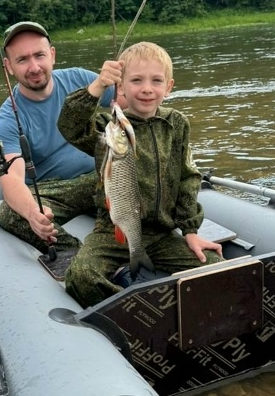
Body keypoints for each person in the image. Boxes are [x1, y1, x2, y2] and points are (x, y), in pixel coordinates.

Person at [57, 41, 224, 307]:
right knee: (80, 276)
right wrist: (97, 86)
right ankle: (134, 311)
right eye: (136, 80)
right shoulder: (108, 128)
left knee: (216, 267)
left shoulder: (177, 124)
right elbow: (71, 127)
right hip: (112, 232)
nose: (147, 88)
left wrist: (190, 229)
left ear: (168, 87)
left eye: (156, 80)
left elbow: (188, 177)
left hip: (162, 233)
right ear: (121, 87)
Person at [0, 21, 114, 252]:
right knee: (10, 214)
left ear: (52, 55)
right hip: (59, 191)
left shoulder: (80, 79)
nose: (34, 67)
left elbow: (129, 101)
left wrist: (128, 75)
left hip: (105, 175)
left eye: (39, 55)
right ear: (8, 66)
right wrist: (32, 211)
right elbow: (11, 179)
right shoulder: (6, 120)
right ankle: (78, 256)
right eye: (22, 60)